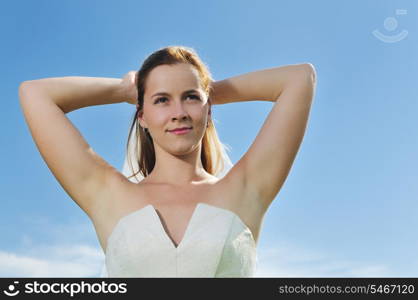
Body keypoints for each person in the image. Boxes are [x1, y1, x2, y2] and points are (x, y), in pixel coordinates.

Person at [18, 45, 316, 277]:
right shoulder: (107, 194)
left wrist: (207, 91)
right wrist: (125, 90)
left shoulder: (245, 189)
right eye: (162, 100)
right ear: (142, 116)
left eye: (190, 98)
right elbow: (35, 94)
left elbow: (299, 78)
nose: (178, 113)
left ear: (208, 109)